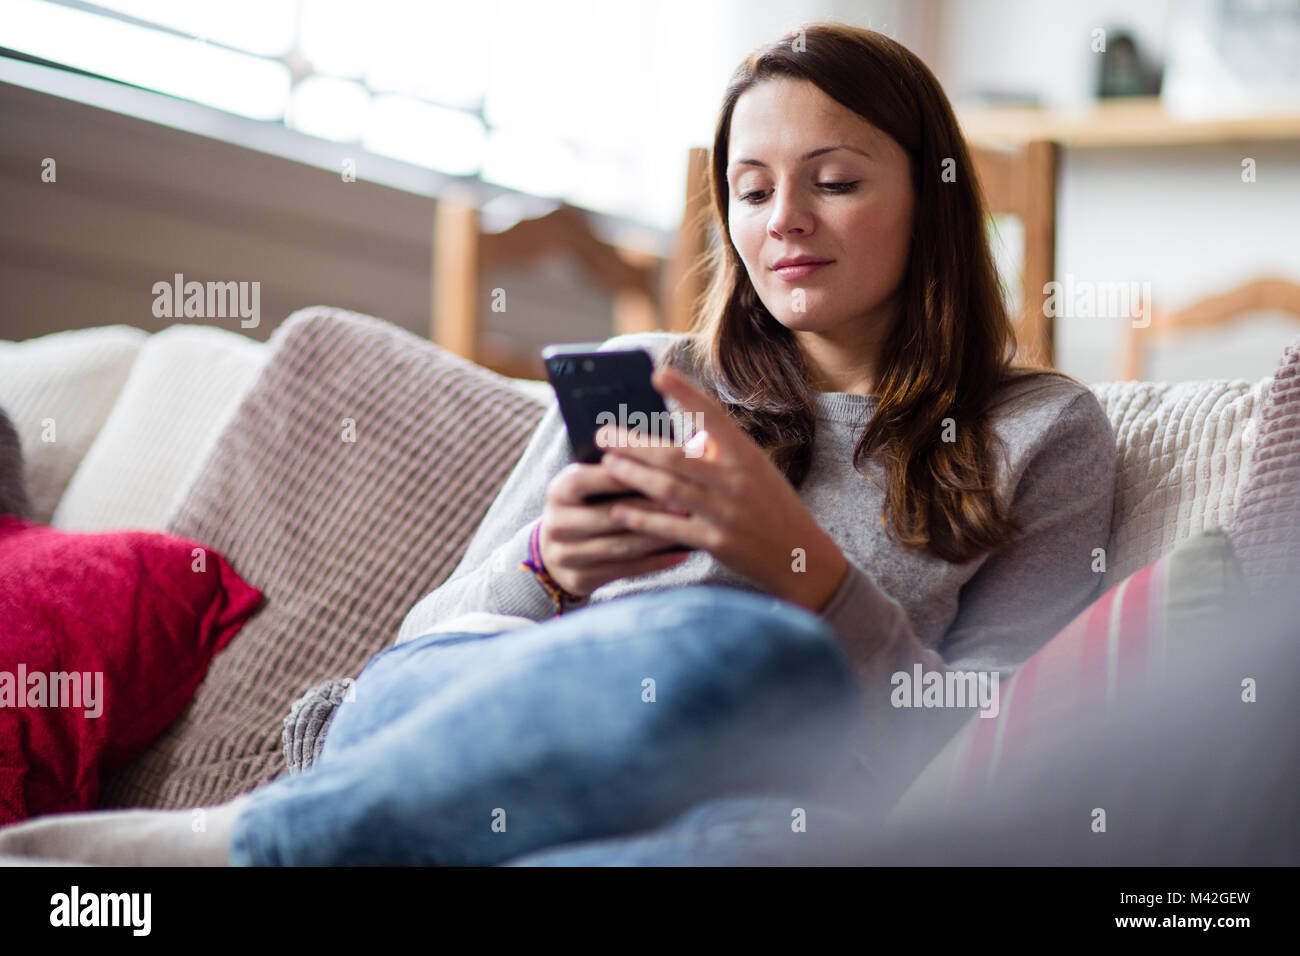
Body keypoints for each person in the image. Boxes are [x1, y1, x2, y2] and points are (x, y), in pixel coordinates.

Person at [0, 22, 1116, 866]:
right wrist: (547, 566)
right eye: (752, 187)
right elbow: (419, 653)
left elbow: (994, 760)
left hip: (742, 784)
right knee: (729, 657)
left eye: (833, 180)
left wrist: (805, 572)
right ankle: (258, 842)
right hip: (467, 710)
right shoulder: (652, 370)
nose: (783, 220)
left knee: (772, 802)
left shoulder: (1041, 432)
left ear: (933, 196)